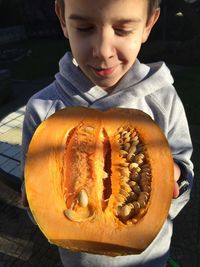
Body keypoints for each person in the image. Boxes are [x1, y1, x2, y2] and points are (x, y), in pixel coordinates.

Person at [21, 0, 194, 266]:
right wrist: (32, 195)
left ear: (149, 24)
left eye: (123, 30)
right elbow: (34, 195)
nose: (103, 51)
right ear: (63, 19)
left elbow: (184, 166)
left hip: (149, 260)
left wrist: (176, 175)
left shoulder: (163, 100)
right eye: (85, 27)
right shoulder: (42, 108)